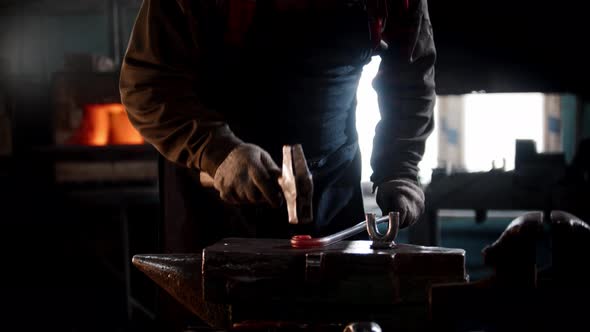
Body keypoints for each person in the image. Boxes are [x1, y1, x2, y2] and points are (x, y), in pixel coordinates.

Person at [120, 0, 436, 253]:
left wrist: (400, 166)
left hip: (333, 194)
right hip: (216, 199)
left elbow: (410, 78)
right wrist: (216, 151)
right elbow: (147, 85)